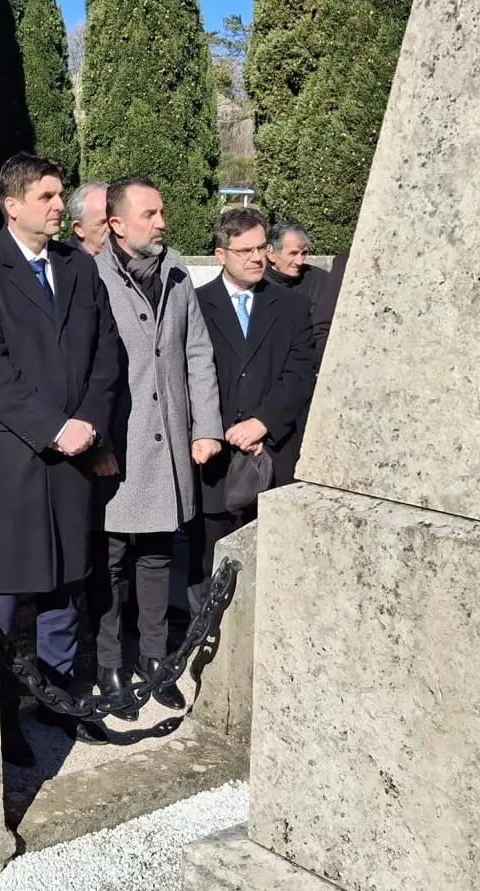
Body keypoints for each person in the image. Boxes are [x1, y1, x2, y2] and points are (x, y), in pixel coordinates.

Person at [0, 152, 121, 766]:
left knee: (63, 588)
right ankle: (0, 717)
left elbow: (107, 352)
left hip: (75, 453)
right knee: (1, 595)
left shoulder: (79, 267)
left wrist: (88, 424)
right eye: (48, 197)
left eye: (60, 195)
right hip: (14, 459)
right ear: (12, 204)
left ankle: (56, 698)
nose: (59, 206)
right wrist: (52, 428)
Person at [86, 177, 220, 717]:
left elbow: (198, 354)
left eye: (161, 212)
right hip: (119, 443)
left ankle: (156, 660)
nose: (161, 222)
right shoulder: (90, 277)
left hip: (168, 445)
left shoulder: (178, 273)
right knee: (113, 561)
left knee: (158, 556)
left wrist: (205, 426)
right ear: (116, 224)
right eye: (150, 214)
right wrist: (94, 439)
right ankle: (110, 663)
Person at [192, 207, 314, 617]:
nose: (258, 257)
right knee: (212, 566)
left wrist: (262, 423)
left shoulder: (292, 307)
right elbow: (188, 374)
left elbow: (300, 374)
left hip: (273, 455)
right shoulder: (194, 306)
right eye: (245, 250)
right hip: (216, 460)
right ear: (220, 254)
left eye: (262, 247)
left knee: (271, 566)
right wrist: (221, 429)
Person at [263, 220, 330, 308]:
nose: (300, 262)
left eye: (304, 253)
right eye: (293, 253)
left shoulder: (321, 280)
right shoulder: (258, 285)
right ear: (271, 254)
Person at [67, 182, 109, 256]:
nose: (112, 228)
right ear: (79, 229)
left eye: (115, 220)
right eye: (103, 222)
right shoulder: (61, 265)